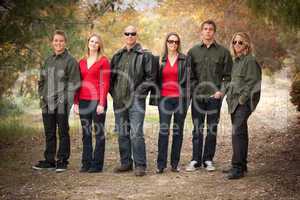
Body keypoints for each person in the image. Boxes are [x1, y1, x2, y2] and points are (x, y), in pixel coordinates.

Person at [186, 20, 233, 172]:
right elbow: (189, 75)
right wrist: (195, 91)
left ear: (214, 32)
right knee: (197, 129)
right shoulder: (193, 52)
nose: (208, 31)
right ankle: (195, 160)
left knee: (212, 128)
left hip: (215, 97)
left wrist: (221, 91)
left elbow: (228, 76)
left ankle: (208, 160)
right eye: (205, 29)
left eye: (210, 29)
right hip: (198, 97)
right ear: (201, 32)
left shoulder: (223, 52)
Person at [110, 25, 155, 176]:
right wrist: (115, 94)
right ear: (124, 35)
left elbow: (150, 78)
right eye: (127, 33)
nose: (129, 36)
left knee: (136, 133)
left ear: (136, 35)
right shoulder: (117, 56)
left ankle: (140, 165)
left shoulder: (145, 55)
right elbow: (111, 78)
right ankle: (126, 163)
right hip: (119, 101)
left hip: (136, 101)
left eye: (132, 33)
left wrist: (138, 94)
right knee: (122, 132)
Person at [33, 30, 81, 172]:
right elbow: (41, 81)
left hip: (62, 104)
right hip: (47, 103)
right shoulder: (48, 60)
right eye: (56, 40)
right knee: (49, 132)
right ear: (52, 42)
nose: (58, 43)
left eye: (61, 40)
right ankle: (49, 160)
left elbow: (75, 83)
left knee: (63, 132)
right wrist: (42, 96)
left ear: (65, 42)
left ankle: (62, 160)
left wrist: (64, 100)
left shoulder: (70, 61)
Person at [223, 32, 261, 179]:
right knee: (241, 133)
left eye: (240, 42)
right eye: (234, 42)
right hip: (234, 102)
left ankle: (237, 168)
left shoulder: (250, 61)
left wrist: (242, 99)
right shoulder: (236, 61)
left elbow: (253, 82)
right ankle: (241, 165)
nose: (237, 45)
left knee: (237, 133)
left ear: (246, 44)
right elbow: (234, 82)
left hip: (244, 103)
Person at [150, 32, 190, 173]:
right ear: (166, 42)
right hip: (164, 100)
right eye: (170, 41)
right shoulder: (160, 60)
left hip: (180, 100)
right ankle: (161, 165)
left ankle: (174, 164)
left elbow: (189, 82)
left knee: (178, 132)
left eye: (176, 42)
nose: (173, 44)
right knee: (164, 131)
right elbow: (154, 80)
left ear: (179, 44)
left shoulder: (185, 60)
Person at [73, 34, 110, 173]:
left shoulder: (104, 61)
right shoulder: (81, 61)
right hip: (83, 101)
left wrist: (101, 103)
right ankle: (86, 163)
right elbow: (78, 83)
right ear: (88, 43)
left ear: (99, 45)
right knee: (86, 133)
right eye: (91, 41)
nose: (94, 44)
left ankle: (97, 164)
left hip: (97, 101)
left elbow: (105, 83)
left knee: (99, 133)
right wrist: (75, 102)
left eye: (96, 42)